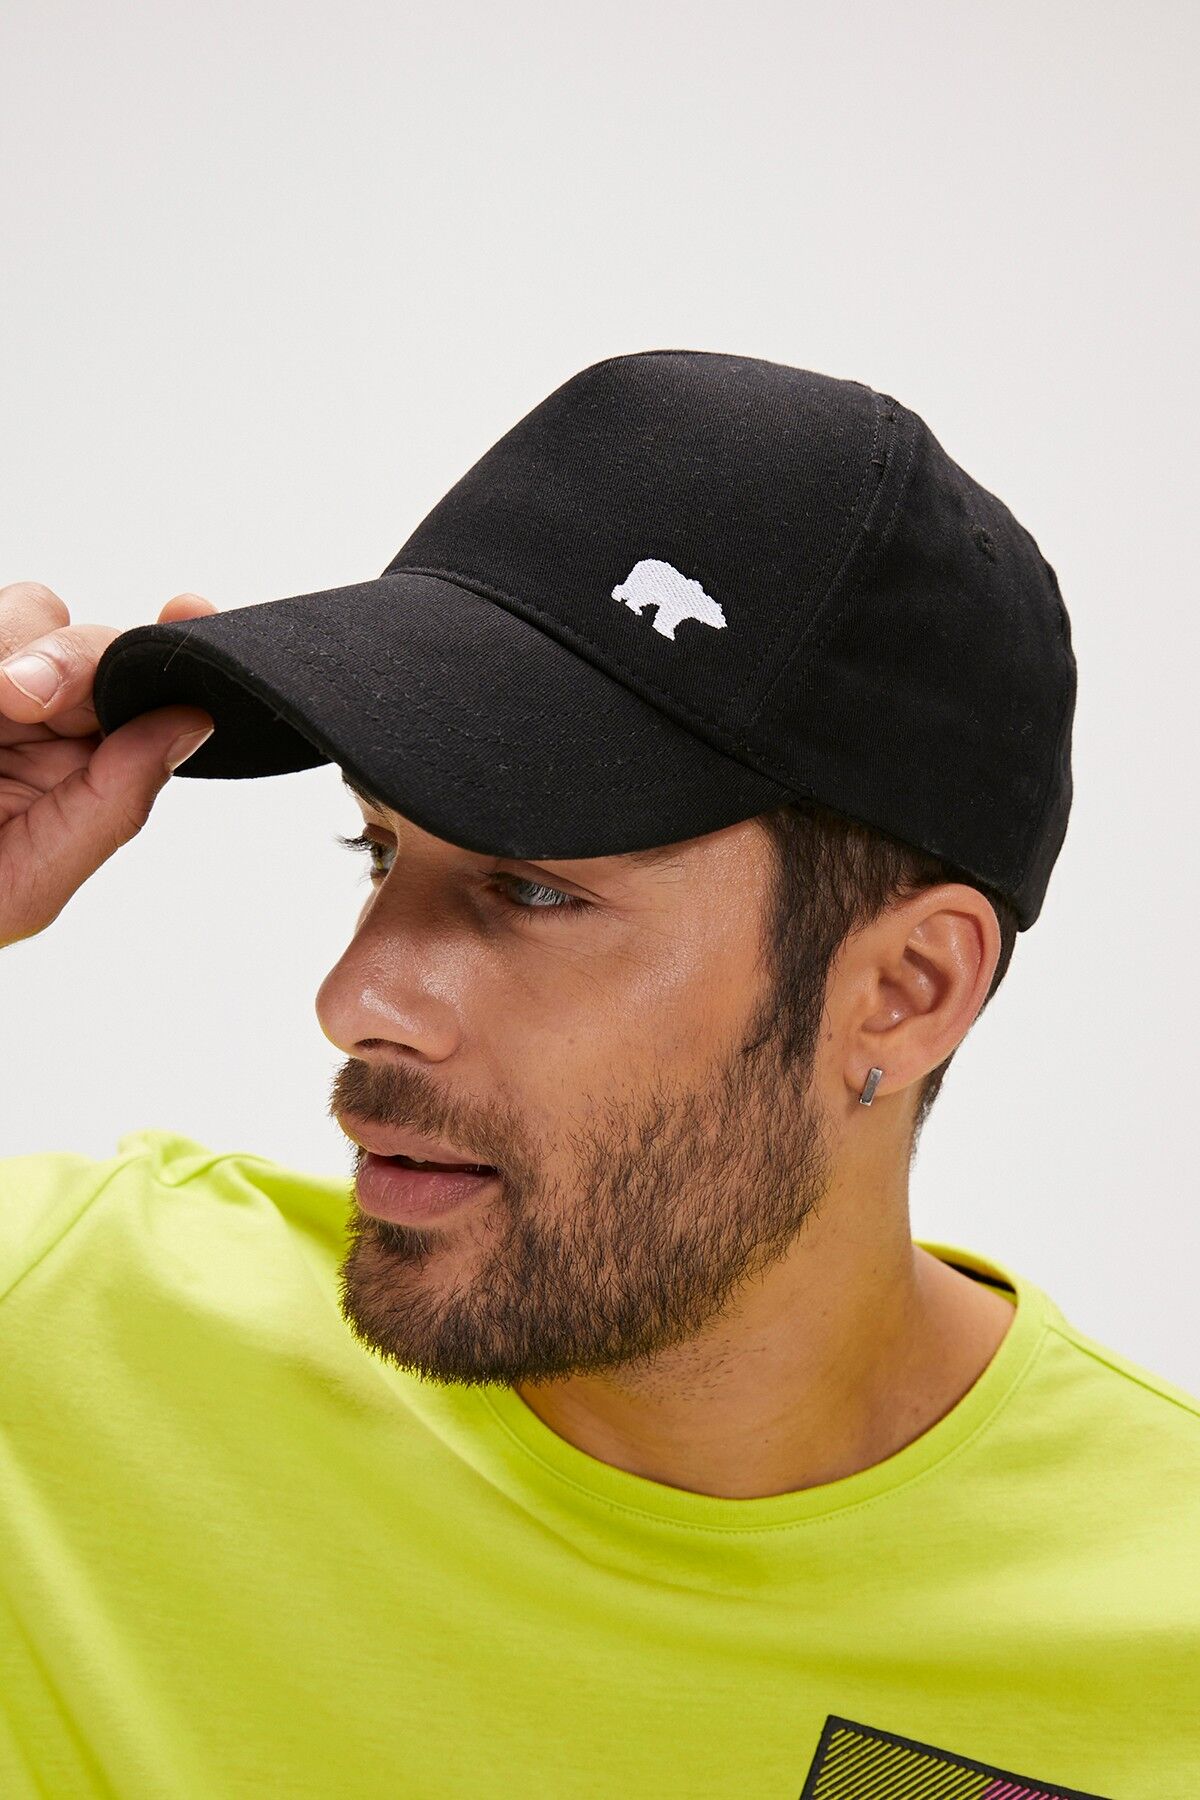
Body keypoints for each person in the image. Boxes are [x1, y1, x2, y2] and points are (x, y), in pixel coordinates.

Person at [0, 351, 1195, 1799]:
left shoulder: (1165, 1631)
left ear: (904, 991)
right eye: (378, 850)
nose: (355, 1001)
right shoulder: (59, 1338)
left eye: (532, 891)